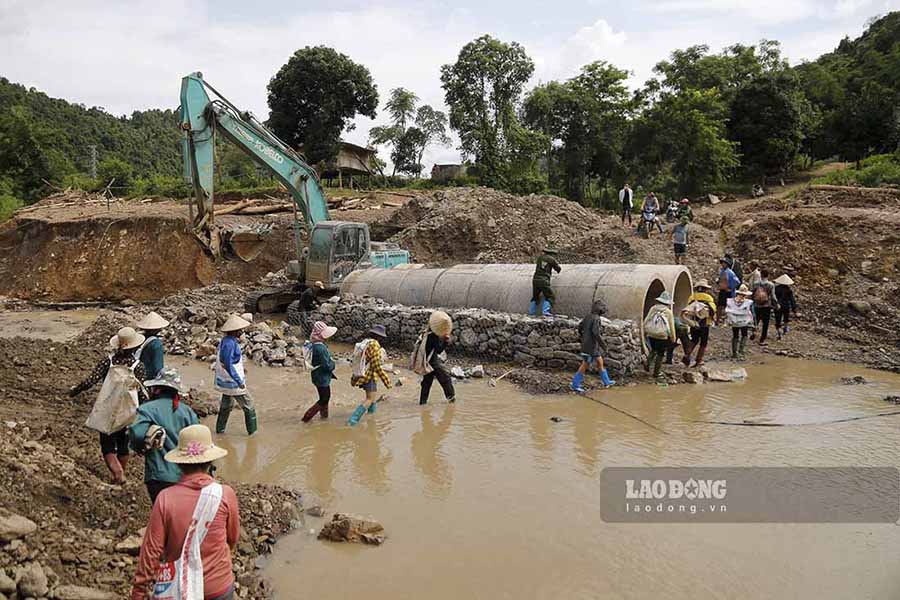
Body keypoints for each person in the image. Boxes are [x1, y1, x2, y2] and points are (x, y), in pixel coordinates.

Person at [130, 424, 238, 600]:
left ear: (179, 463)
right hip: (218, 586)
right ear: (210, 461)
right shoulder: (225, 494)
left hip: (180, 587)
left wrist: (139, 590)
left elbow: (152, 551)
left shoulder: (166, 498)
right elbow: (232, 539)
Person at [68, 326, 147, 484]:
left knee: (108, 446)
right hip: (128, 410)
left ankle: (117, 473)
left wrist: (75, 391)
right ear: (135, 346)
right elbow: (142, 392)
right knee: (124, 445)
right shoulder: (138, 366)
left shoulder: (108, 361)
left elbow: (91, 380)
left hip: (108, 407)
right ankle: (120, 475)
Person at [128, 368, 199, 504]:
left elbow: (137, 434)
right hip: (185, 476)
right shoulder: (188, 412)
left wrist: (140, 448)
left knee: (161, 514)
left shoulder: (147, 409)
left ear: (157, 389)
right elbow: (198, 442)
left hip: (158, 476)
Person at [214, 315, 258, 436]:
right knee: (249, 404)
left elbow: (227, 360)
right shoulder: (230, 344)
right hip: (232, 379)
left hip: (225, 378)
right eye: (240, 330)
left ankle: (220, 431)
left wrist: (241, 368)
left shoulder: (227, 341)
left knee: (227, 404)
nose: (242, 332)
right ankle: (253, 434)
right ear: (235, 331)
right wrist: (239, 381)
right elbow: (227, 364)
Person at [348, 324, 393, 426]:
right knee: (369, 399)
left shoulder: (366, 342)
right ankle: (352, 421)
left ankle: (371, 416)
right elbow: (376, 365)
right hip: (370, 376)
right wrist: (387, 381)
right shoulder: (375, 345)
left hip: (362, 373)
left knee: (372, 397)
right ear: (379, 337)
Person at [570, 300, 615, 393]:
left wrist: (582, 337)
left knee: (599, 361)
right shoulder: (596, 319)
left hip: (589, 345)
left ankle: (607, 382)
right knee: (585, 364)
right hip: (591, 347)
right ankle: (575, 385)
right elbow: (596, 333)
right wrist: (604, 345)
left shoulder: (588, 316)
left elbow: (580, 327)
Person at [301, 321, 338, 422]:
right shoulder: (320, 348)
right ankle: (306, 418)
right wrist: (333, 364)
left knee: (324, 397)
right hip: (322, 377)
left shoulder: (315, 345)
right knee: (324, 398)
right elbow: (327, 365)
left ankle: (324, 418)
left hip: (317, 375)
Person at [419, 311, 456, 405]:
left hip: (426, 361)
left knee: (427, 383)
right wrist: (445, 342)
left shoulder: (426, 333)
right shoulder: (433, 336)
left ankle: (422, 403)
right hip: (433, 363)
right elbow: (439, 350)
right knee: (446, 379)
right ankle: (451, 401)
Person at [681, 279, 717, 367]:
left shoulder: (692, 297)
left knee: (694, 340)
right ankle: (699, 360)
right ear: (706, 289)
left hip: (694, 322)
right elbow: (713, 310)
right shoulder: (708, 298)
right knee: (703, 342)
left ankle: (687, 355)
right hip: (705, 324)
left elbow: (689, 308)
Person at [643, 291, 676, 380]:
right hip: (662, 335)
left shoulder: (653, 308)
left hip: (651, 334)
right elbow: (671, 326)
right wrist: (673, 338)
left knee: (653, 350)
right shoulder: (668, 312)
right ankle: (656, 373)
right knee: (660, 354)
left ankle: (647, 363)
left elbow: (647, 319)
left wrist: (644, 330)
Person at [135, 311, 169, 380]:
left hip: (137, 375)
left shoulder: (139, 339)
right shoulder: (156, 344)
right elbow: (158, 368)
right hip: (148, 378)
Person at [530, 247, 561, 317]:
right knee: (550, 296)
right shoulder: (552, 259)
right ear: (551, 254)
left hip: (535, 280)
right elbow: (558, 269)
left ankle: (531, 312)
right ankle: (545, 311)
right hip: (544, 280)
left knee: (535, 296)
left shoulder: (540, 258)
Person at [726, 285, 754, 360]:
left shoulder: (731, 301)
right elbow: (751, 312)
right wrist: (753, 322)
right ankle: (741, 350)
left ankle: (735, 353)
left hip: (734, 321)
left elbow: (728, 311)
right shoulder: (748, 302)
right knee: (744, 334)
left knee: (735, 335)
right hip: (744, 321)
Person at [751, 269, 778, 345]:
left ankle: (754, 332)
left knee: (756, 320)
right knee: (765, 323)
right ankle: (762, 339)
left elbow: (752, 293)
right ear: (768, 275)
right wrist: (776, 304)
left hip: (757, 305)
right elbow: (773, 297)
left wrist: (753, 301)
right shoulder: (771, 285)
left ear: (761, 275)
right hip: (766, 306)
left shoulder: (756, 283)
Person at [715, 258, 741, 325]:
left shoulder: (730, 273)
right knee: (719, 306)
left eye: (724, 263)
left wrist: (730, 287)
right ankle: (717, 320)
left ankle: (727, 321)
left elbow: (737, 282)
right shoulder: (722, 272)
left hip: (728, 292)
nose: (722, 264)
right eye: (722, 263)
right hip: (722, 290)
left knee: (728, 306)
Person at [774, 274, 797, 340]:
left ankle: (779, 332)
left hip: (778, 306)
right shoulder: (789, 290)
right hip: (786, 306)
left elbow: (773, 297)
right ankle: (785, 327)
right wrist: (794, 308)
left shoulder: (776, 288)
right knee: (786, 318)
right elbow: (792, 300)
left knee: (778, 319)